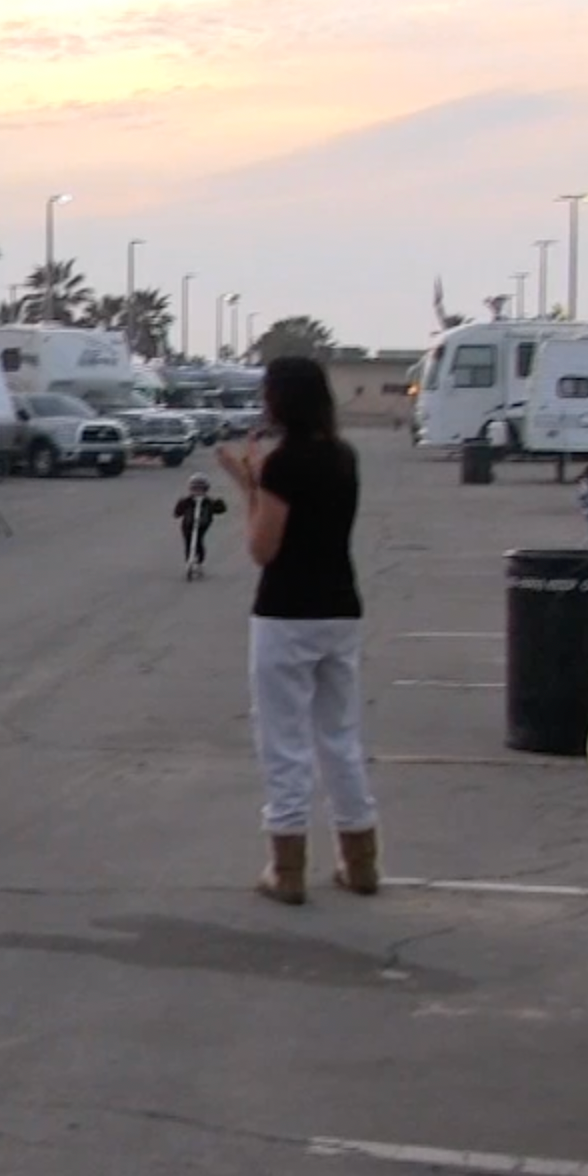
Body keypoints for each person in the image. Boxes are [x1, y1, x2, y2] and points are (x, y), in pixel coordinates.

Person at [217, 356, 380, 906]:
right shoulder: (342, 457)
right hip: (340, 606)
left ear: (279, 401)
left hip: (287, 613)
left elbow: (265, 548)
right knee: (339, 736)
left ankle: (286, 867)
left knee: (284, 740)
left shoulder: (283, 465)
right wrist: (256, 481)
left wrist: (252, 487)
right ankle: (360, 860)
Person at [173, 473, 228, 575]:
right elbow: (177, 513)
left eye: (200, 489)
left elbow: (221, 509)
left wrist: (218, 502)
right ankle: (189, 560)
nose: (197, 492)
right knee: (188, 542)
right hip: (188, 525)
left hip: (202, 525)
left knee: (198, 541)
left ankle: (199, 562)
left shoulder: (208, 502)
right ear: (191, 489)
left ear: (205, 490)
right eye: (195, 489)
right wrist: (180, 506)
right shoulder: (187, 501)